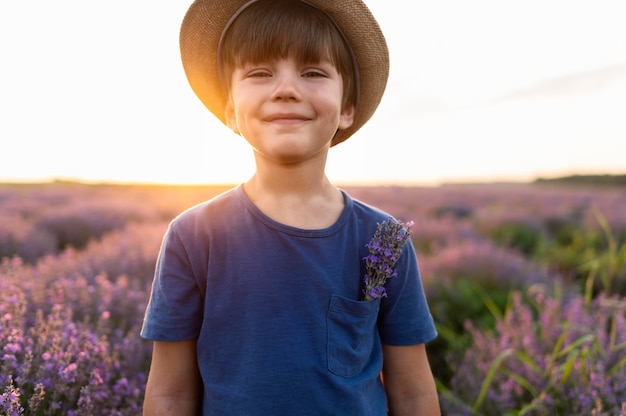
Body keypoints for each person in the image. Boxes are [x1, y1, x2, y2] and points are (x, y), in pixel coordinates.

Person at [140, 0, 440, 414]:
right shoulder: (194, 235)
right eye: (260, 73)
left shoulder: (384, 239)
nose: (286, 89)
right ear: (230, 110)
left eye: (313, 73)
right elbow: (171, 393)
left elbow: (413, 392)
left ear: (347, 109)